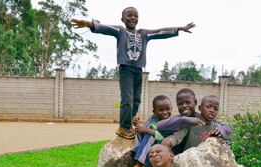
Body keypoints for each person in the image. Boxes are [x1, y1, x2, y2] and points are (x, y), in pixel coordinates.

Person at [71, 7, 195, 139]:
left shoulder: (144, 34)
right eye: (129, 16)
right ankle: (123, 127)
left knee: (136, 100)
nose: (133, 18)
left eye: (135, 16)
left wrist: (179, 29)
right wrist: (89, 24)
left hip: (138, 70)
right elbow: (105, 28)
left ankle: (128, 122)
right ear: (122, 19)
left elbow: (160, 32)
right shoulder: (121, 30)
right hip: (126, 70)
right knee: (127, 100)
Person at [129, 94, 204, 167]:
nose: (165, 113)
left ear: (171, 109)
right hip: (149, 146)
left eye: (168, 109)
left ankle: (140, 166)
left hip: (165, 144)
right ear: (154, 111)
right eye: (161, 110)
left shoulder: (172, 121)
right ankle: (138, 159)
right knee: (145, 132)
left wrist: (147, 130)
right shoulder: (154, 119)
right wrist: (138, 125)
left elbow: (161, 138)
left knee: (149, 134)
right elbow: (149, 129)